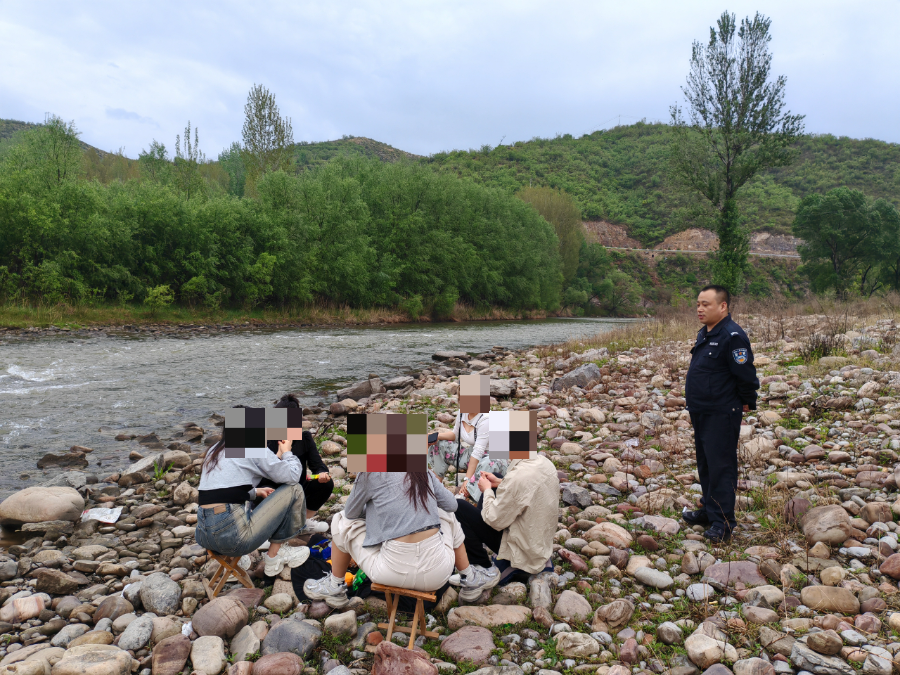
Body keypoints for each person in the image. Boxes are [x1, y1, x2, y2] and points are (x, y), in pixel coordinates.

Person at [303, 472, 500, 608]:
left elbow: (351, 513)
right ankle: (469, 578)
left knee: (339, 520)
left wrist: (379, 508)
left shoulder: (369, 472)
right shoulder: (421, 469)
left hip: (390, 571)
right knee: (446, 514)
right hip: (438, 572)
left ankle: (336, 586)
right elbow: (451, 505)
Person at [683, 284, 760, 543]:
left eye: (706, 304)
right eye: (698, 304)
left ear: (723, 306)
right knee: (706, 464)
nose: (700, 309)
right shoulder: (705, 333)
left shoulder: (732, 335)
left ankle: (723, 522)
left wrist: (748, 400)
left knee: (721, 466)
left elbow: (746, 374)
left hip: (721, 411)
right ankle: (709, 509)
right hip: (702, 409)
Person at [196, 431, 311, 578]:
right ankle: (275, 556)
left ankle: (230, 562)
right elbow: (293, 476)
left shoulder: (215, 450)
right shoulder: (252, 446)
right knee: (294, 489)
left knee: (238, 504)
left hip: (204, 537)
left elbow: (221, 488)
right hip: (233, 540)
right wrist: (287, 452)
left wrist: (255, 492)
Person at [453, 454, 559, 586]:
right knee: (497, 477)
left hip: (522, 549)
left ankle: (482, 567)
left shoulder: (518, 477)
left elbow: (494, 520)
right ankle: (482, 541)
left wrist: (486, 490)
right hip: (539, 541)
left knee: (459, 507)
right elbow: (523, 489)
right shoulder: (544, 462)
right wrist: (499, 483)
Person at [252, 394, 333, 534]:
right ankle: (267, 527)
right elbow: (254, 472)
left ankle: (301, 523)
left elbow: (317, 464)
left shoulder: (305, 438)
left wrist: (321, 473)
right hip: (272, 489)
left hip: (298, 488)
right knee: (262, 490)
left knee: (326, 484)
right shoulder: (265, 439)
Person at [428, 410, 508, 501]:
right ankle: (434, 487)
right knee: (441, 444)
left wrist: (467, 480)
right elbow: (455, 434)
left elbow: (478, 452)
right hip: (471, 453)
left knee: (489, 462)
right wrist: (436, 436)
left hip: (494, 458)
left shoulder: (486, 419)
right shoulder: (462, 413)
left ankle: (468, 498)